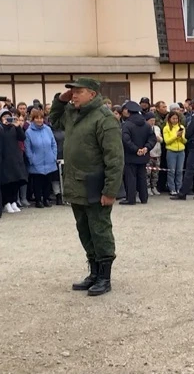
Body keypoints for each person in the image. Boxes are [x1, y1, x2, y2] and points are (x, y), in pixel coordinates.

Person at [49, 78, 123, 297]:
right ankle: (93, 272)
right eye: (72, 92)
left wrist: (110, 191)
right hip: (76, 184)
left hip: (95, 185)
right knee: (84, 230)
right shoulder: (73, 113)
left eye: (78, 92)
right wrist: (61, 99)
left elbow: (115, 158)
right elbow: (54, 118)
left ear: (92, 94)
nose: (74, 95)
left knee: (100, 230)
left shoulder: (104, 118)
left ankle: (104, 277)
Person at [120, 101, 155, 205]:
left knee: (130, 177)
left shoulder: (127, 125)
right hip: (143, 155)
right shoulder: (146, 125)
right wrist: (146, 148)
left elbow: (126, 140)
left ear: (129, 112)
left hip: (130, 156)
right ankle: (144, 198)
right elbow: (152, 139)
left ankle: (131, 199)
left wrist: (136, 149)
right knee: (142, 176)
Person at [25, 108, 58, 209]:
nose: (39, 120)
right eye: (37, 118)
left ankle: (46, 199)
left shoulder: (48, 129)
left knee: (47, 181)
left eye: (41, 118)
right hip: (36, 161)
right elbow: (28, 147)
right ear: (33, 119)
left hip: (49, 159)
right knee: (37, 182)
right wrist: (32, 159)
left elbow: (53, 143)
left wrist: (53, 155)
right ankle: (38, 200)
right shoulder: (29, 132)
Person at [0, 108, 27, 213]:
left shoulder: (14, 127)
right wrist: (4, 125)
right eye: (4, 117)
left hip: (15, 157)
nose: (6, 119)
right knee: (6, 182)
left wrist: (17, 126)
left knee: (16, 180)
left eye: (8, 117)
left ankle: (13, 201)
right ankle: (6, 202)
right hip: (4, 158)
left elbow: (22, 137)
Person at [162, 112, 186, 196]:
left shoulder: (181, 127)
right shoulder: (166, 128)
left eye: (176, 118)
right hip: (171, 151)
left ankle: (179, 188)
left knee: (179, 171)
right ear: (169, 119)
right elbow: (167, 141)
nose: (175, 120)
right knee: (171, 171)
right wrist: (176, 136)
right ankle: (172, 188)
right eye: (173, 118)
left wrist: (181, 138)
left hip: (181, 151)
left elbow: (185, 141)